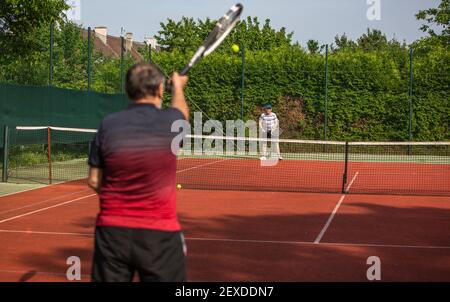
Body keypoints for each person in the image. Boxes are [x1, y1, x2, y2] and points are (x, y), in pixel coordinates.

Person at [87, 63, 189, 282]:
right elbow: (181, 112)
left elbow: (94, 180)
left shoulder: (108, 124)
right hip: (159, 235)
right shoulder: (171, 121)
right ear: (161, 90)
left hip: (112, 234)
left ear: (127, 90)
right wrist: (178, 87)